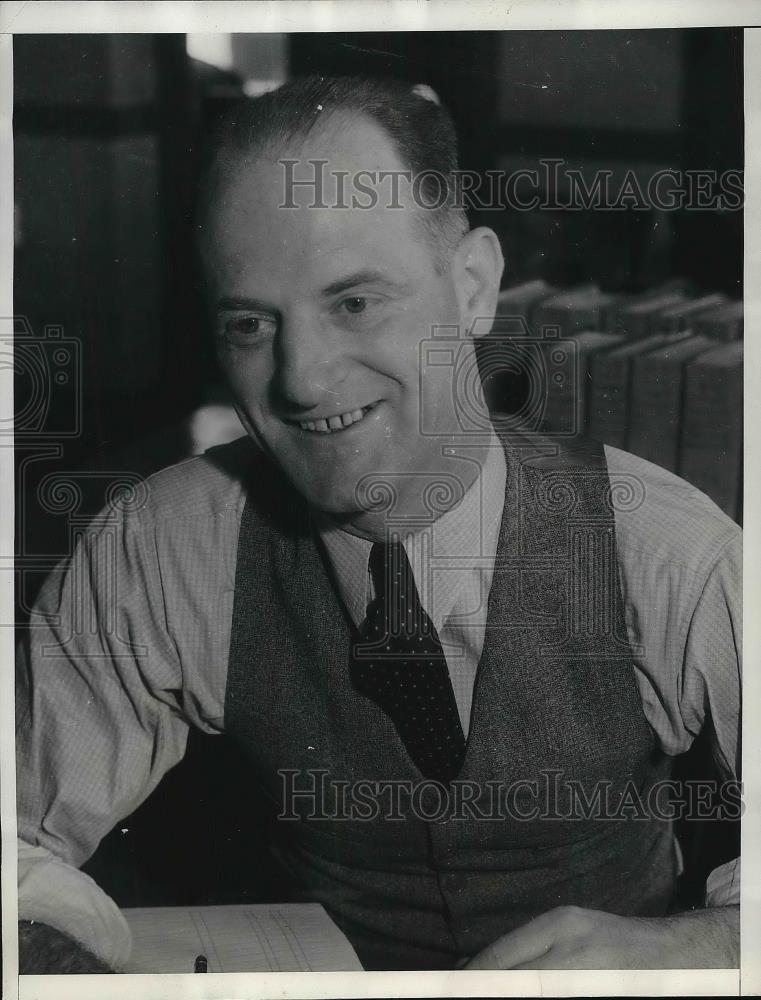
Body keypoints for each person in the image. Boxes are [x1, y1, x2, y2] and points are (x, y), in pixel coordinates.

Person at [17, 76, 740, 973]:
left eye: (355, 302)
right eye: (250, 324)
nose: (304, 381)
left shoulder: (664, 548)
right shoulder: (163, 547)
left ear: (472, 285)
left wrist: (688, 949)